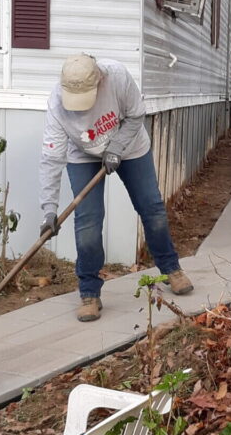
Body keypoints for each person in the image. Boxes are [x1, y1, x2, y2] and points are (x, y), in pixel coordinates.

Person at [38, 53, 193, 322]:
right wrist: (49, 211)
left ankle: (171, 269)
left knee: (151, 206)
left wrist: (116, 148)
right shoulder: (56, 104)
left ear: (99, 80)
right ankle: (89, 292)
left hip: (130, 147)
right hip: (83, 154)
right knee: (88, 220)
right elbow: (51, 159)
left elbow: (136, 115)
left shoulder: (117, 77)